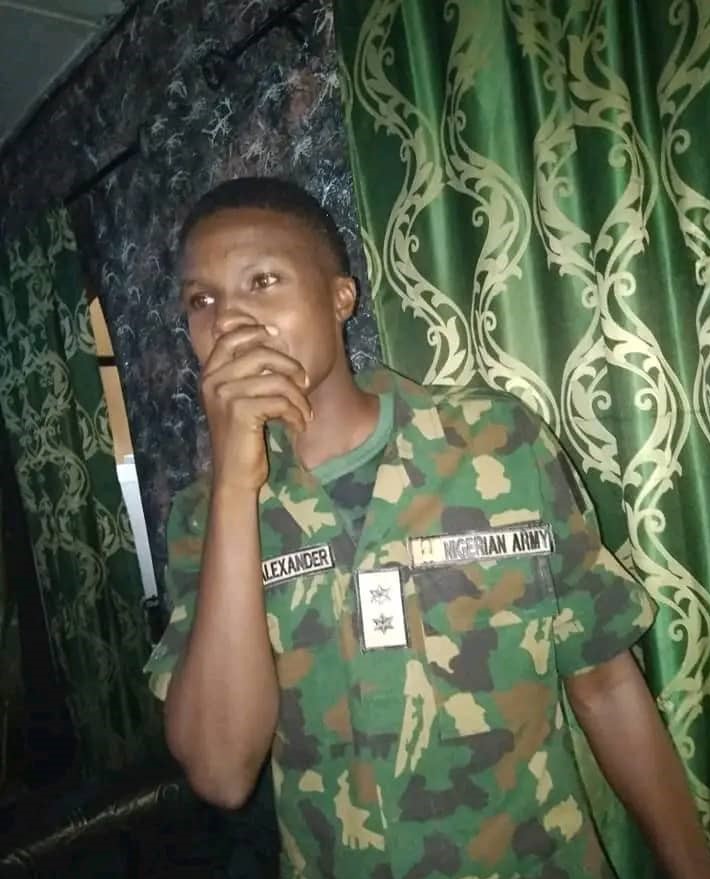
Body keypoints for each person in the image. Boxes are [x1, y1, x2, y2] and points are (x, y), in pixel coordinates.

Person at [144, 177, 710, 879]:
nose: (230, 321)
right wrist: (235, 483)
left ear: (340, 297)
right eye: (202, 300)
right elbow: (222, 772)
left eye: (263, 281)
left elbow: (605, 682)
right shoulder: (205, 517)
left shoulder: (495, 438)